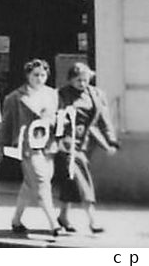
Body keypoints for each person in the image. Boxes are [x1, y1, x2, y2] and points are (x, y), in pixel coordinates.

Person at [0, 58, 61, 238]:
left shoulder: (52, 94)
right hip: (28, 146)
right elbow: (6, 123)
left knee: (30, 184)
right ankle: (53, 223)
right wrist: (0, 146)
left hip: (48, 145)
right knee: (41, 182)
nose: (40, 78)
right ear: (27, 75)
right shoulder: (15, 97)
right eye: (35, 75)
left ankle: (16, 220)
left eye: (43, 75)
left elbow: (58, 117)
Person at [55, 62, 118, 235]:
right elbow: (58, 117)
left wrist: (111, 141)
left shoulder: (96, 94)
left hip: (86, 142)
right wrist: (58, 138)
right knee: (82, 178)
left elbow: (104, 120)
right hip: (68, 142)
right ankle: (92, 219)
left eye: (85, 80)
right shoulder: (62, 94)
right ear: (70, 80)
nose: (82, 84)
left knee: (71, 178)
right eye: (78, 80)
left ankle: (63, 216)